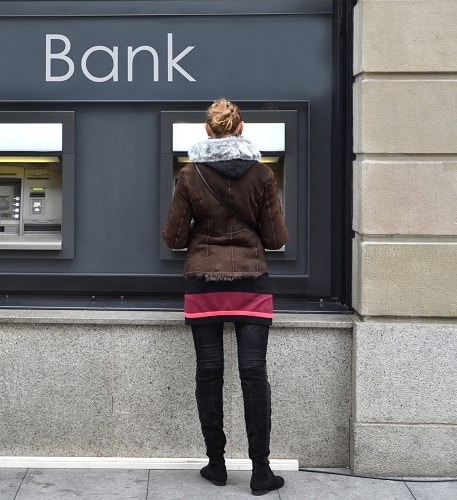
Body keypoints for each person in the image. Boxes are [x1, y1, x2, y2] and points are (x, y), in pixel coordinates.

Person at [162, 98, 289, 495]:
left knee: (209, 371)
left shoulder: (189, 175)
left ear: (207, 131)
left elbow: (174, 237)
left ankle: (216, 465)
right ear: (241, 128)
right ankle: (260, 471)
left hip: (204, 280)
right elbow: (276, 238)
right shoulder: (263, 176)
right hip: (251, 281)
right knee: (254, 372)